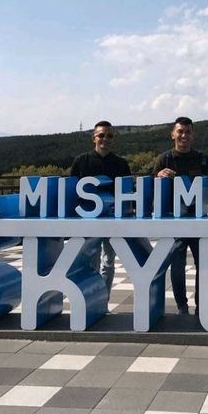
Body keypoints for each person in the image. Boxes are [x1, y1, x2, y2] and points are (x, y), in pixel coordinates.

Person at [152, 117, 208, 315]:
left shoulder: (203, 158)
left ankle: (202, 306)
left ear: (193, 134)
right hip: (175, 223)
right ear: (172, 134)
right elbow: (150, 186)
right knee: (177, 267)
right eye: (180, 131)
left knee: (204, 265)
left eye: (188, 131)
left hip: (200, 222)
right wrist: (158, 176)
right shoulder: (164, 160)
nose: (184, 135)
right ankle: (182, 306)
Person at [70, 120, 131, 298]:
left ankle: (104, 298)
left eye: (109, 135)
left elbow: (128, 191)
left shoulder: (121, 163)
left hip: (113, 220)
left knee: (109, 262)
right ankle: (91, 299)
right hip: (89, 220)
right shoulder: (81, 161)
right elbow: (72, 191)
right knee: (91, 262)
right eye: (101, 135)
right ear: (94, 138)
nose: (105, 139)